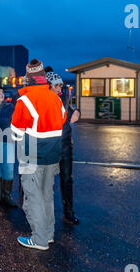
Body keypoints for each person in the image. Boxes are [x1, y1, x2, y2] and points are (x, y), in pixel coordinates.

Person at [11, 59, 67, 251]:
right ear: (43, 77)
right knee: (47, 196)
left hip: (31, 155)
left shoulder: (25, 100)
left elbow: (16, 131)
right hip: (53, 154)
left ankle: (39, 239)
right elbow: (62, 120)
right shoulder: (56, 98)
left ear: (28, 78)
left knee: (33, 197)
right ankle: (48, 234)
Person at [46, 71, 80, 225]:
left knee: (67, 179)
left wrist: (77, 113)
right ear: (48, 86)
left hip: (65, 145)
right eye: (56, 85)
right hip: (48, 147)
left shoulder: (64, 99)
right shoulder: (42, 101)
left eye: (61, 85)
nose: (59, 88)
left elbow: (72, 113)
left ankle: (69, 211)